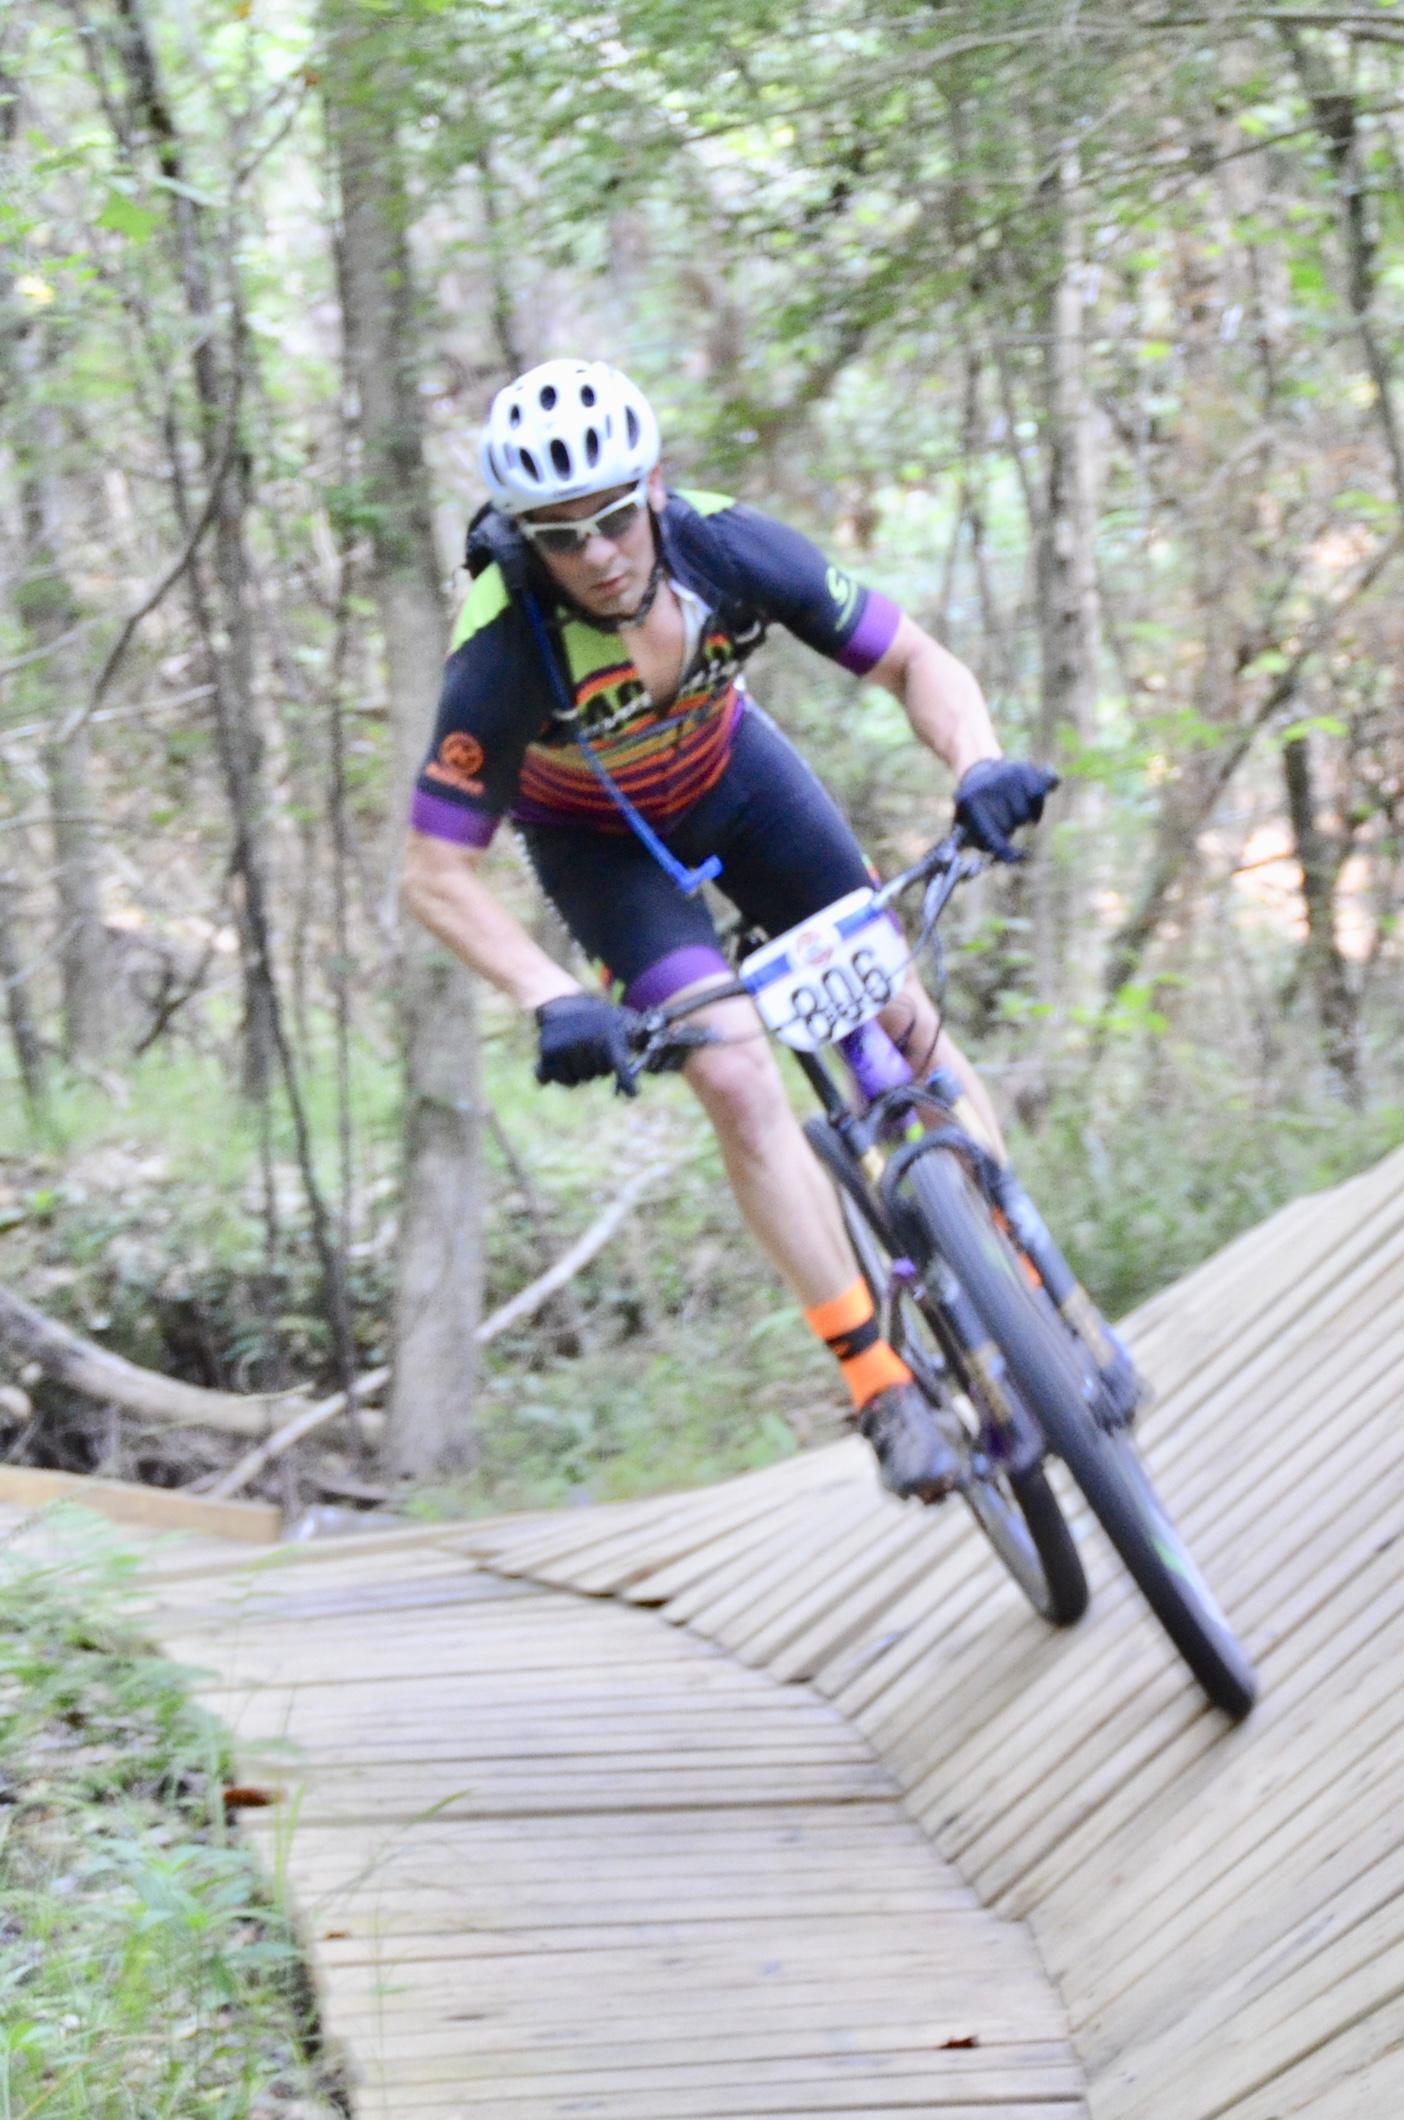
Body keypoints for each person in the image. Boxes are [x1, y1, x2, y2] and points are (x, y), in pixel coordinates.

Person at [401, 358, 1054, 1502]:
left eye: (612, 516)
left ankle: (1032, 1294)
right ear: (524, 539)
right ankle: (878, 1384)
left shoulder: (727, 544)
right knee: (738, 1075)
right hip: (603, 851)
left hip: (736, 782)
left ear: (652, 486)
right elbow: (435, 870)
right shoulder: (500, 652)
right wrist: (549, 996)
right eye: (560, 535)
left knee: (901, 1013)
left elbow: (913, 658)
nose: (597, 552)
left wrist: (979, 761)